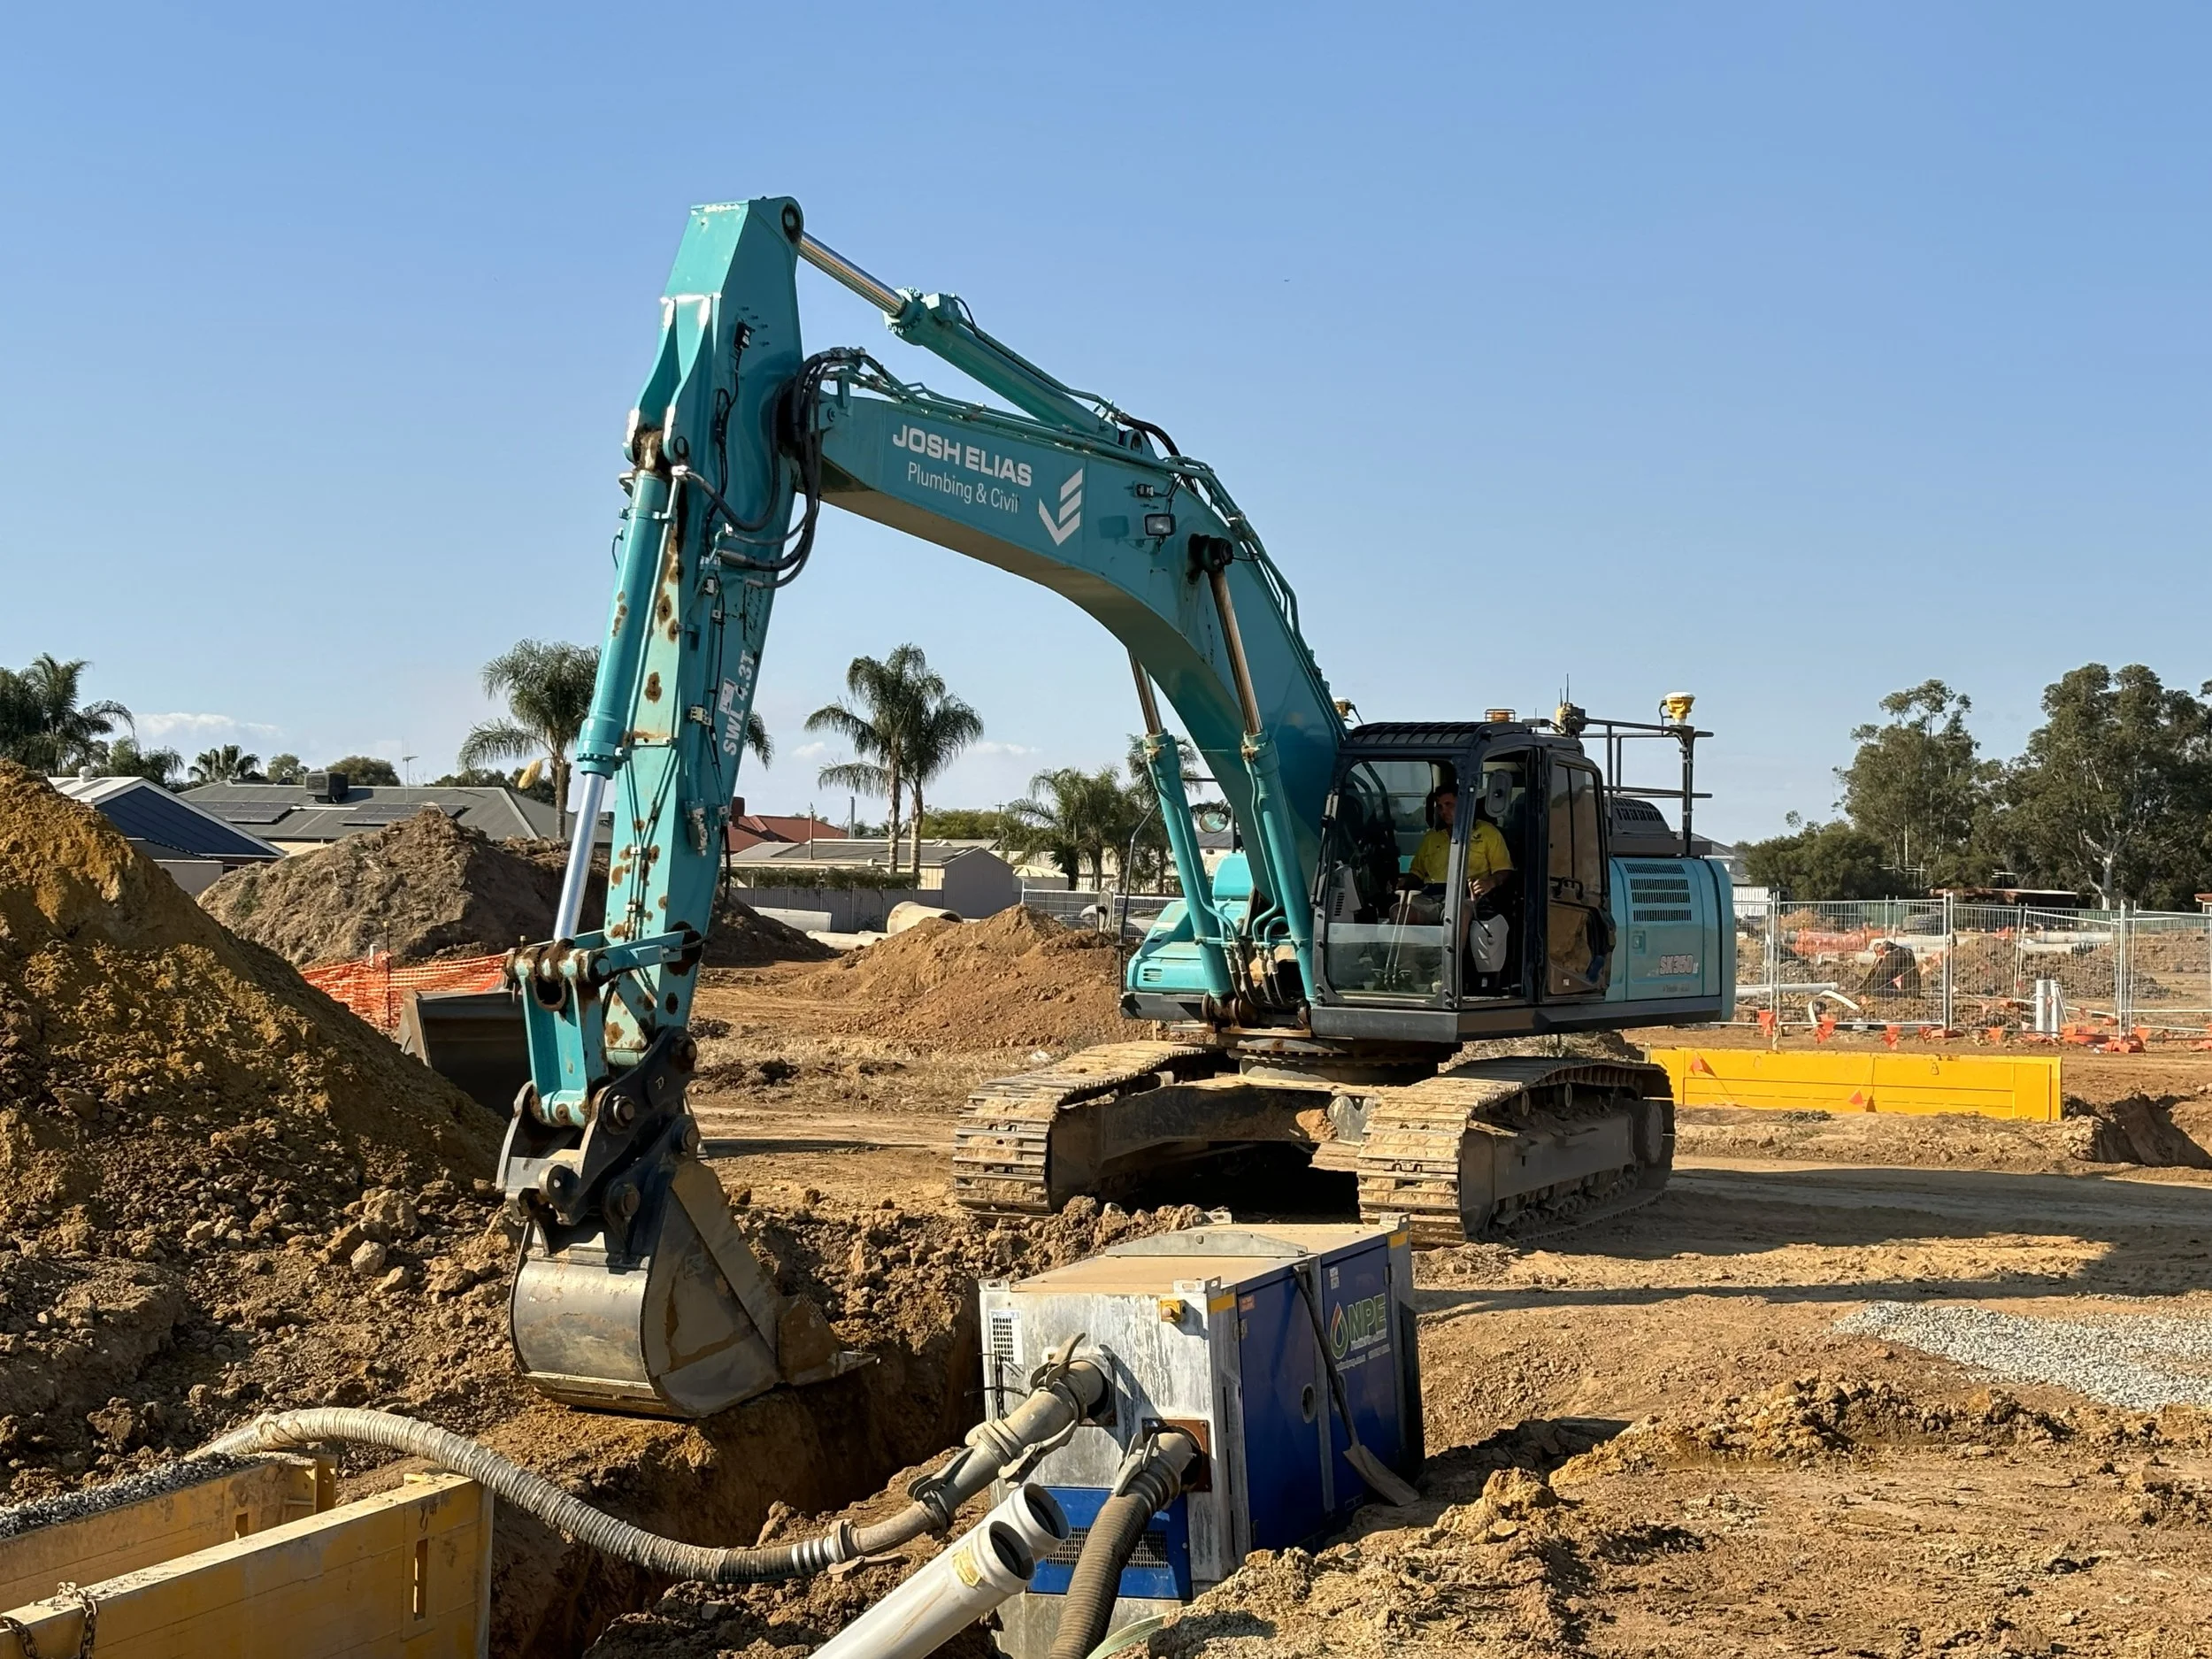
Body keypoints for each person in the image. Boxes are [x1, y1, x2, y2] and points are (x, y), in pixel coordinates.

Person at [1404, 780, 1513, 902]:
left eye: (1449, 804)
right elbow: (1417, 872)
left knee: (1461, 915)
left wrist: (1489, 883)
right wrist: (1404, 882)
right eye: (1440, 807)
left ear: (1463, 804)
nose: (1443, 811)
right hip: (1431, 895)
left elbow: (1503, 870)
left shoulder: (1488, 833)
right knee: (1398, 911)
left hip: (1469, 895)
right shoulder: (1431, 837)